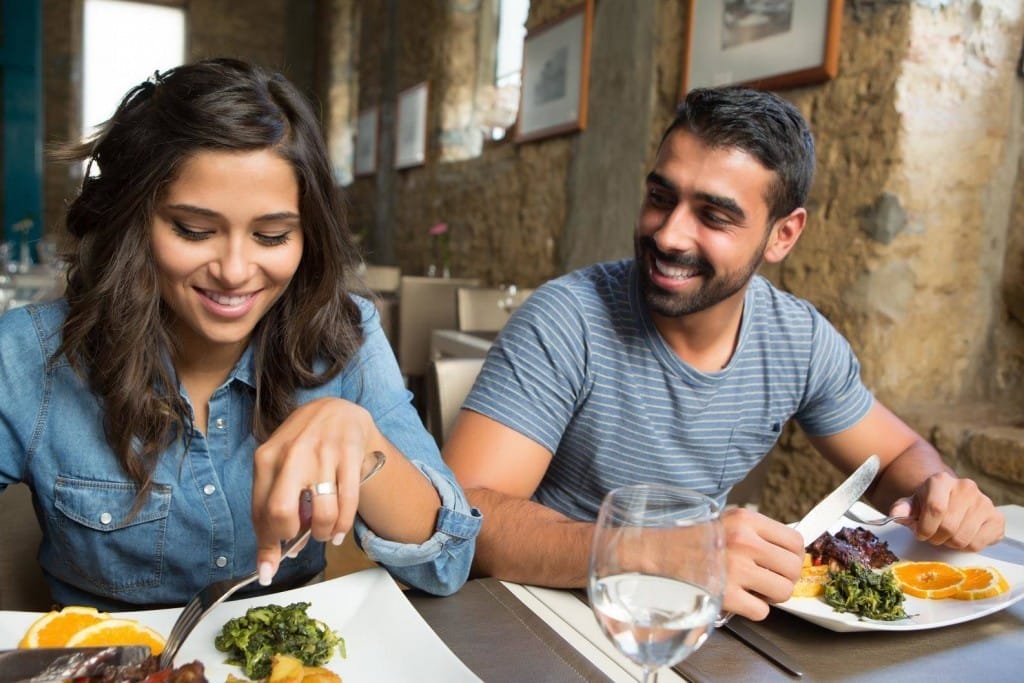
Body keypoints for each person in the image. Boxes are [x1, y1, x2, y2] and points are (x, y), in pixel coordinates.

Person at [443, 86, 1005, 621]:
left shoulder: (798, 340)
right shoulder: (567, 319)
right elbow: (463, 515)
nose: (668, 235)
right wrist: (657, 551)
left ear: (783, 235)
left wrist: (939, 492)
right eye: (661, 197)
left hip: (691, 616)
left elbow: (899, 454)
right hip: (546, 614)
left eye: (713, 216)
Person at [0, 58, 480, 610]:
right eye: (194, 230)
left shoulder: (345, 336)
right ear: (134, 222)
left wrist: (365, 441)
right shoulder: (29, 354)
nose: (234, 270)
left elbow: (447, 565)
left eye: (272, 236)